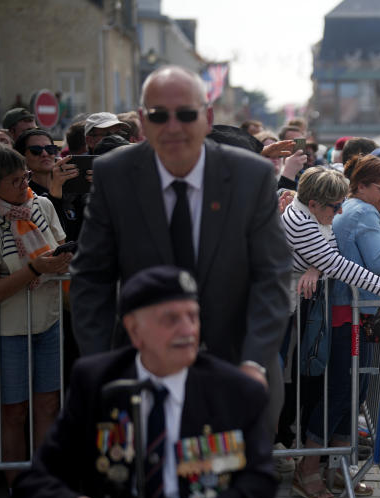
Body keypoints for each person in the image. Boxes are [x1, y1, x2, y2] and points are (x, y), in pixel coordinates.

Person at [9, 265, 276, 498]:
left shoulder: (233, 392)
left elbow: (258, 486)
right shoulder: (96, 382)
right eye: (171, 319)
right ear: (134, 329)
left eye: (193, 316)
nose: (188, 330)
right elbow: (35, 481)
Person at [69, 65, 291, 416]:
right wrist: (102, 365)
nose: (173, 127)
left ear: (208, 117)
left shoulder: (251, 176)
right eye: (159, 116)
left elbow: (273, 275)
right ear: (142, 121)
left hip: (237, 370)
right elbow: (91, 278)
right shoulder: (115, 174)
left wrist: (253, 361)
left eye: (186, 114)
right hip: (142, 373)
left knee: (238, 471)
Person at [292, 154, 380, 498]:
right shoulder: (361, 211)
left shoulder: (354, 209)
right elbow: (378, 263)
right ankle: (308, 470)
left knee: (352, 392)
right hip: (348, 314)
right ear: (362, 185)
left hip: (354, 312)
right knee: (343, 391)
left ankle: (337, 468)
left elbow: (332, 258)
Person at [0, 145, 73, 498]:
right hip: (5, 330)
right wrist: (36, 269)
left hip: (48, 320)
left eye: (25, 177)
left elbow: (61, 250)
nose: (25, 185)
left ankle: (45, 485)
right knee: (13, 411)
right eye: (14, 181)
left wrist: (61, 260)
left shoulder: (42, 205)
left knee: (47, 407)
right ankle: (18, 492)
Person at [14, 128, 80, 237]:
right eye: (36, 150)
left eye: (50, 149)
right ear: (22, 156)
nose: (45, 154)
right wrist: (54, 196)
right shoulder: (21, 194)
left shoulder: (71, 188)